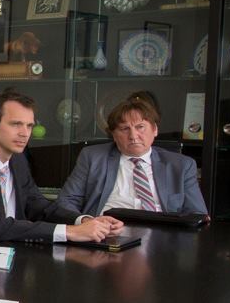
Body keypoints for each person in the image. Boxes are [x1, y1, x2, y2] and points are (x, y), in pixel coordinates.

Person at [0, 90, 124, 245]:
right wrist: (70, 232)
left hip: (14, 251)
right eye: (16, 124)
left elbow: (38, 206)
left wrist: (84, 220)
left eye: (29, 126)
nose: (24, 133)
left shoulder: (17, 159)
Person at [57, 91, 208, 216]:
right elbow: (66, 201)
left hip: (161, 236)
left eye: (140, 127)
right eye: (124, 129)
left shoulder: (181, 165)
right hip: (107, 233)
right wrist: (85, 222)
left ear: (155, 129)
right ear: (114, 135)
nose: (133, 136)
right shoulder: (93, 157)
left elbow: (197, 214)